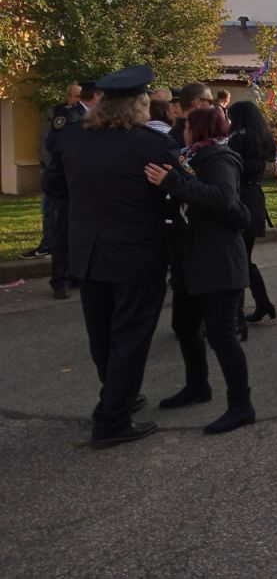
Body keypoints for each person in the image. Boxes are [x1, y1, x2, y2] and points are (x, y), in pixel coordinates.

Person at [43, 65, 176, 448]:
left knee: (101, 334)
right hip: (137, 255)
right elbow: (172, 191)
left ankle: (118, 396)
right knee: (131, 336)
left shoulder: (71, 138)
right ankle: (112, 420)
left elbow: (53, 186)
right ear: (138, 104)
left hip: (88, 252)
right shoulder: (153, 144)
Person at [145, 106, 256, 435]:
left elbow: (222, 198)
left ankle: (241, 405)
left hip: (218, 262)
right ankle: (197, 385)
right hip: (190, 261)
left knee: (221, 336)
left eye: (186, 126)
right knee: (185, 326)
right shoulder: (190, 157)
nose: (182, 132)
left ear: (198, 129)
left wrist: (173, 183)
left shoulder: (220, 158)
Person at [46, 80, 102, 298]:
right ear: (96, 96)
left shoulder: (99, 117)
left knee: (84, 231)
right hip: (68, 183)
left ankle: (77, 274)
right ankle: (60, 280)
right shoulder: (68, 115)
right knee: (63, 232)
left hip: (88, 184)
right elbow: (54, 145)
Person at [228, 101, 277, 333]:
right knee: (243, 258)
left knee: (239, 260)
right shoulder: (261, 138)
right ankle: (263, 303)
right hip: (255, 198)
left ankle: (238, 315)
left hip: (242, 198)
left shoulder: (238, 139)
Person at [21, 82, 81, 259]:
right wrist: (52, 168)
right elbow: (48, 144)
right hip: (55, 171)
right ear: (69, 97)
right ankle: (48, 244)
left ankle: (59, 245)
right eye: (77, 96)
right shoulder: (58, 115)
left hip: (70, 172)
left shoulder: (81, 114)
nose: (80, 100)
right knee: (50, 209)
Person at [170, 83, 213, 148]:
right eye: (210, 102)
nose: (211, 107)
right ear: (198, 102)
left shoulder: (171, 135)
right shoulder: (200, 136)